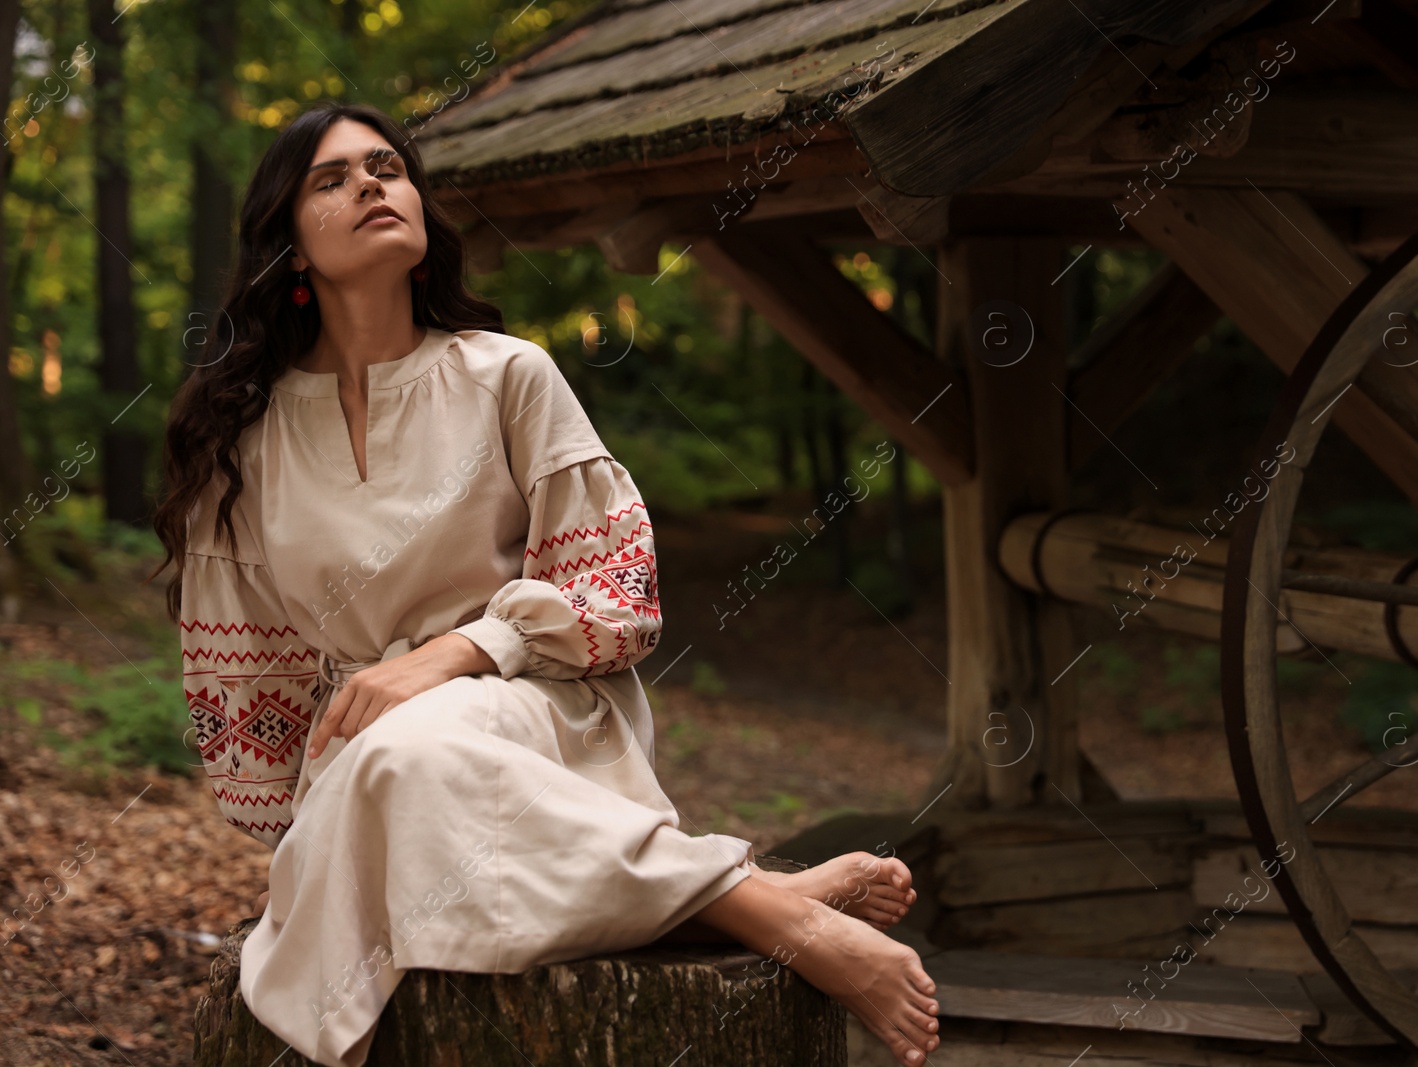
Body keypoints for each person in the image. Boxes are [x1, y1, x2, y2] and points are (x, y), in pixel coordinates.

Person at [149, 101, 940, 1067]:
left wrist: (456, 652)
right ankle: (762, 899)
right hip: (366, 751)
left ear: (421, 213)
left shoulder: (506, 375)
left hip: (538, 708)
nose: (370, 184)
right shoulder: (246, 438)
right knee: (388, 762)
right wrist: (314, 821)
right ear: (291, 247)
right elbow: (251, 677)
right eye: (331, 177)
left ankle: (781, 921)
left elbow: (621, 593)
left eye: (388, 168)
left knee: (406, 754)